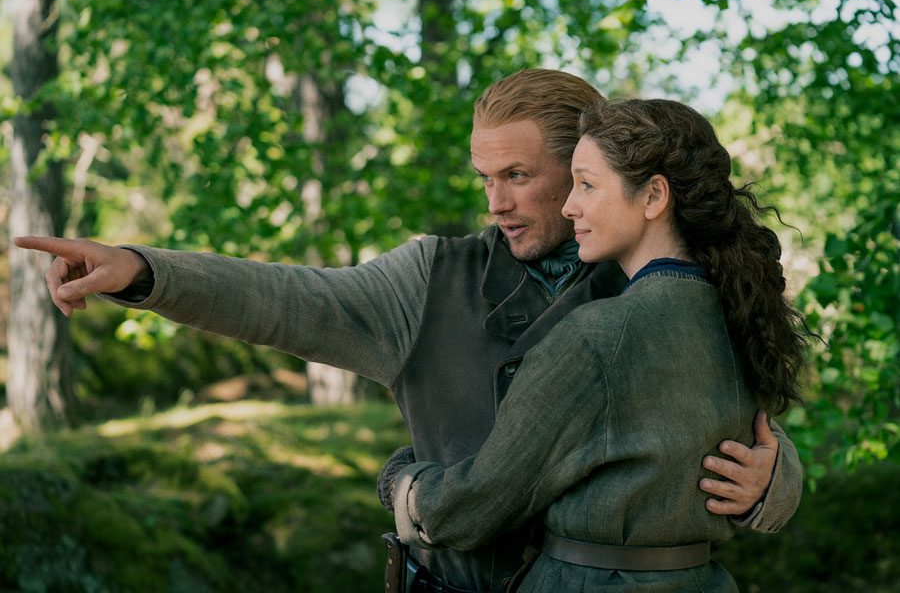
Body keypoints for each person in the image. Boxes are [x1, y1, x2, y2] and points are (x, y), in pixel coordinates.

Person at [14, 69, 801, 593]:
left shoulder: (651, 280)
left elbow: (722, 414)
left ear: (584, 168)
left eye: (519, 176)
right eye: (483, 178)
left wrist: (776, 481)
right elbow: (287, 300)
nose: (494, 202)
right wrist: (143, 269)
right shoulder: (431, 278)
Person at [388, 97, 811, 592]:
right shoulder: (739, 316)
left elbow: (476, 506)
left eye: (586, 185)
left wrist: (401, 484)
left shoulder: (595, 337)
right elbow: (763, 441)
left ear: (654, 196)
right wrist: (778, 483)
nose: (570, 206)